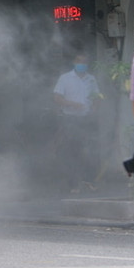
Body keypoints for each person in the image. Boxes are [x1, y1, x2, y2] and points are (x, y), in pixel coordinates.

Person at [53, 53, 102, 192]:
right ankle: (74, 184)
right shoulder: (65, 78)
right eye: (79, 61)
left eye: (85, 62)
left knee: (90, 151)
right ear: (74, 62)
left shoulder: (91, 79)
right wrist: (72, 104)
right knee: (72, 152)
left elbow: (97, 97)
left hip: (86, 119)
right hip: (70, 119)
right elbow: (57, 98)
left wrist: (95, 109)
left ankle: (89, 180)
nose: (82, 64)